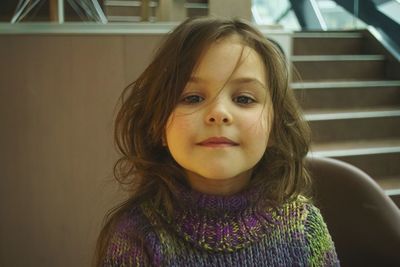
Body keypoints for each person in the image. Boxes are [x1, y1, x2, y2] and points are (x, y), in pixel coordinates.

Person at [94, 17, 340, 266]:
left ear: (275, 127)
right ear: (158, 126)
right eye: (192, 97)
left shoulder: (305, 227)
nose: (219, 112)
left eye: (244, 99)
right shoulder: (135, 236)